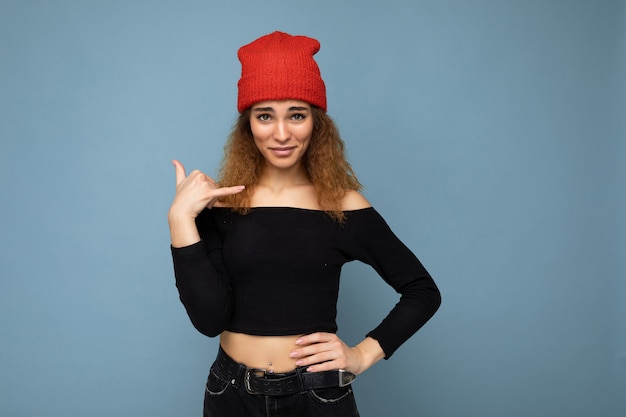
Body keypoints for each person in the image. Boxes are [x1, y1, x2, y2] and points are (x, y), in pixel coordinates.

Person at [168, 31, 441, 417]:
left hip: (315, 396)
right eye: (265, 116)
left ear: (317, 123)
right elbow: (209, 320)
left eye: (296, 114)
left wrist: (361, 354)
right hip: (230, 394)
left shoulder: (343, 206)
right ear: (248, 125)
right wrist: (180, 220)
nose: (281, 134)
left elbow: (422, 291)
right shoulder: (222, 204)